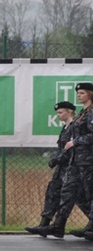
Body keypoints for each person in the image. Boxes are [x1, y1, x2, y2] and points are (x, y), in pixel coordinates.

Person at [38, 83, 93, 239]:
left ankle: (91, 226)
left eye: (82, 93)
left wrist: (76, 142)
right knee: (67, 191)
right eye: (78, 93)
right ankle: (58, 225)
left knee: (89, 194)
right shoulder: (83, 112)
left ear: (90, 94)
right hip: (76, 161)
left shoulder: (91, 113)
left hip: (88, 160)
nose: (79, 95)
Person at [25, 101, 88, 236]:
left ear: (69, 112)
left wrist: (58, 159)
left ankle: (64, 226)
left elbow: (72, 150)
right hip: (63, 168)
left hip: (72, 167)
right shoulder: (66, 128)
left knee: (79, 197)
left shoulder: (74, 127)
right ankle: (45, 224)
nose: (58, 115)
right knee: (53, 192)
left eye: (60, 112)